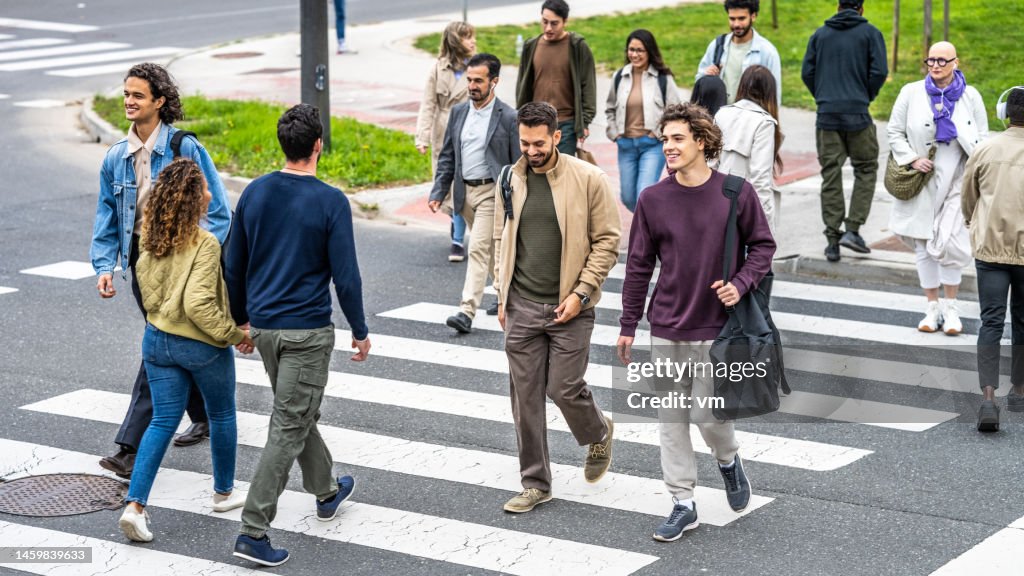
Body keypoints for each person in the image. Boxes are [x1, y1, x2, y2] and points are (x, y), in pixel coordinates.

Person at [616, 103, 775, 542]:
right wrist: (629, 323)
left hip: (717, 328)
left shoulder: (735, 193)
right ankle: (682, 502)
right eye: (664, 138)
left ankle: (728, 461)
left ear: (701, 142)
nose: (668, 146)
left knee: (710, 416)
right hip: (666, 324)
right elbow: (638, 266)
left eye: (677, 138)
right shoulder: (652, 199)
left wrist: (740, 284)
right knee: (671, 420)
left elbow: (763, 245)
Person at [224, 104, 370, 567]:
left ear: (283, 145)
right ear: (318, 146)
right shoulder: (330, 201)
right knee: (288, 425)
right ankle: (252, 530)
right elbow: (346, 277)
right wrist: (361, 331)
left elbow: (233, 264)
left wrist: (242, 321)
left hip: (265, 330)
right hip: (306, 331)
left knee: (295, 412)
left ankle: (327, 490)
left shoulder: (255, 193)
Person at [90, 62, 231, 479]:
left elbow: (219, 212)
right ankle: (205, 413)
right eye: (126, 95)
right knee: (170, 336)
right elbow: (107, 213)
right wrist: (106, 265)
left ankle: (129, 446)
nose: (129, 102)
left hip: (183, 257)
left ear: (160, 101)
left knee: (161, 337)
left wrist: (196, 255)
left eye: (138, 95)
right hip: (143, 260)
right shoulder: (117, 157)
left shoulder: (185, 148)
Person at [492, 102, 620, 513]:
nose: (531, 150)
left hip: (572, 308)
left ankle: (598, 431)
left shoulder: (589, 179)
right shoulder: (509, 178)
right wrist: (501, 294)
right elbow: (502, 238)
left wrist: (581, 293)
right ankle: (535, 483)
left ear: (556, 136)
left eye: (539, 142)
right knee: (524, 399)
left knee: (563, 388)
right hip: (522, 305)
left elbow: (607, 242)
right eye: (525, 142)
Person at [117, 159, 252, 543]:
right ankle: (224, 493)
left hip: (156, 341)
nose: (212, 192)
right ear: (196, 199)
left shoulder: (151, 238)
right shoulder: (204, 242)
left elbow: (146, 289)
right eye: (207, 187)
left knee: (162, 421)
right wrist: (232, 334)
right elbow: (198, 305)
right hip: (198, 345)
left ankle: (135, 506)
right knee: (223, 414)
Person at [888, 41, 987, 335]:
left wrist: (975, 168)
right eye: (930, 60)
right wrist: (912, 158)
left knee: (951, 243)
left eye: (942, 61)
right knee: (923, 244)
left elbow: (982, 135)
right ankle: (932, 307)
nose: (935, 66)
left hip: (958, 182)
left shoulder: (970, 96)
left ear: (956, 62)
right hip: (922, 181)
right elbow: (894, 132)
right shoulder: (910, 92)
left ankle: (951, 308)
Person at [427, 54, 522, 334]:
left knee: (478, 248)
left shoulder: (508, 117)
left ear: (494, 82)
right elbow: (447, 155)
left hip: (491, 192)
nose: (472, 86)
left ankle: (466, 311)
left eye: (478, 80)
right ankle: (506, 293)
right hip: (463, 192)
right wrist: (438, 191)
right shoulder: (459, 112)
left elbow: (517, 163)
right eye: (469, 80)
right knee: (492, 251)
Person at [801, 0, 887, 262]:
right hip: (858, 115)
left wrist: (823, 97)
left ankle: (832, 241)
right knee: (866, 168)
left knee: (830, 174)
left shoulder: (820, 35)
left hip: (827, 115)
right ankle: (853, 229)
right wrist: (864, 96)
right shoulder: (871, 34)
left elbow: (807, 72)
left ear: (838, 7)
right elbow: (879, 71)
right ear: (861, 8)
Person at [961, 87, 1024, 432]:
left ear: (1004, 114)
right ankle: (1019, 390)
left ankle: (988, 399)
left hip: (990, 249)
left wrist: (976, 224)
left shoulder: (985, 148)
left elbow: (968, 198)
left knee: (991, 322)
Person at [415, 21, 476, 263]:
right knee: (444, 185)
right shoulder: (438, 69)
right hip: (442, 134)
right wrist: (422, 137)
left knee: (461, 187)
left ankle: (457, 240)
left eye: (473, 37)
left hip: (467, 132)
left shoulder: (477, 67)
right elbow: (427, 104)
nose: (472, 42)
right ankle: (456, 224)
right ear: (454, 42)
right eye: (467, 38)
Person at [605, 29, 682, 212]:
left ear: (649, 51)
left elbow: (676, 110)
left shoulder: (662, 78)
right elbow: (610, 108)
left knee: (643, 194)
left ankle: (646, 237)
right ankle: (653, 223)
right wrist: (615, 134)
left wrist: (657, 133)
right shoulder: (619, 76)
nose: (634, 54)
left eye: (640, 50)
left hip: (652, 145)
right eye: (631, 49)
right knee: (628, 198)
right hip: (625, 145)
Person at [516, 0, 597, 157]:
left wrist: (584, 122)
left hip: (566, 124)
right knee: (537, 172)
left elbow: (588, 86)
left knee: (559, 174)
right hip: (536, 122)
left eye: (554, 23)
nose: (548, 28)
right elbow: (522, 85)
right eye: (544, 22)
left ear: (565, 21)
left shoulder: (577, 46)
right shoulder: (531, 46)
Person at [714, 64, 784, 233]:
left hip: (717, 204)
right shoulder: (764, 123)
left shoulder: (722, 114)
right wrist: (766, 228)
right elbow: (760, 178)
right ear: (770, 93)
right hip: (747, 209)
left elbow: (710, 164)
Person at [695, 0, 782, 106]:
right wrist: (707, 76)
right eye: (732, 19)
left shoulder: (767, 52)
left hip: (749, 120)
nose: (736, 24)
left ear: (753, 16)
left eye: (741, 18)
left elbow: (774, 97)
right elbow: (699, 81)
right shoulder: (717, 45)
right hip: (718, 117)